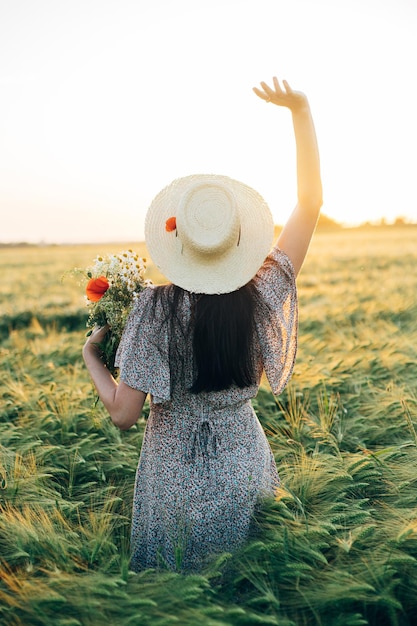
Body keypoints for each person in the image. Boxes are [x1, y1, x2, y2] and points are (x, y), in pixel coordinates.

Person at [83, 76, 322, 572]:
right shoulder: (262, 294)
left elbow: (124, 415)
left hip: (174, 480)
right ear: (239, 242)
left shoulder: (154, 308)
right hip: (242, 467)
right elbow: (311, 202)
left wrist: (93, 359)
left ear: (179, 245)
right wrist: (300, 111)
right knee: (244, 589)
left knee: (173, 596)